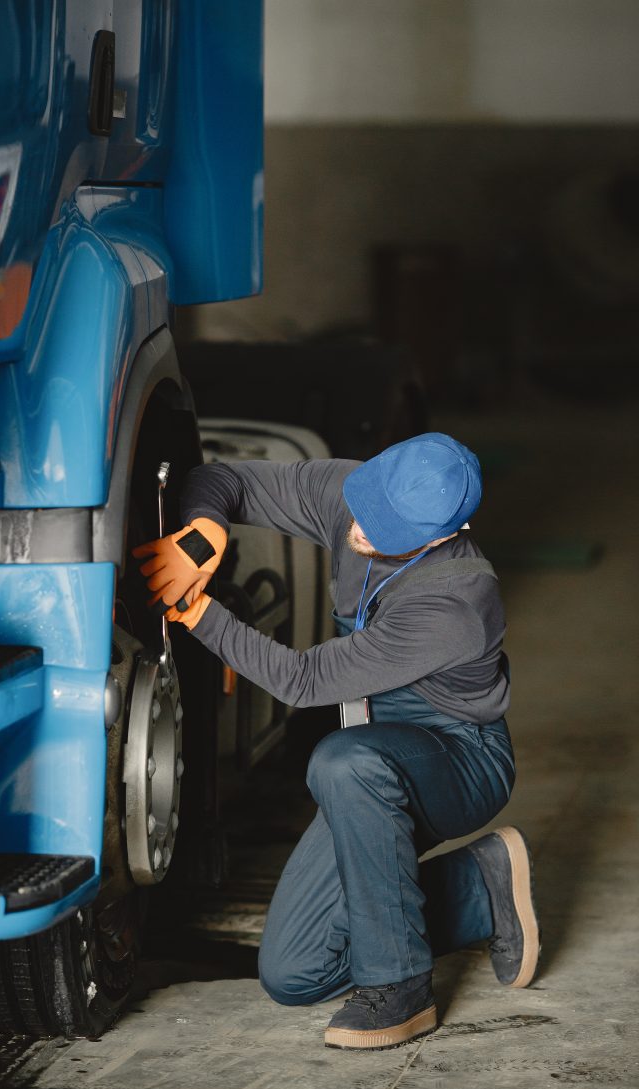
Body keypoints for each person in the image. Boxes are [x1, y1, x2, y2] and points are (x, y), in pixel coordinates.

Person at [133, 432, 540, 1051]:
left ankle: (400, 986)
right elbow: (224, 480)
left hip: (457, 758)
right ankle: (477, 888)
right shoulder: (359, 495)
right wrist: (201, 533)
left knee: (343, 761)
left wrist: (198, 611)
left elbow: (304, 680)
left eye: (390, 531)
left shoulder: (456, 602)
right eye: (367, 511)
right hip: (369, 764)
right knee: (295, 973)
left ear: (442, 536)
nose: (364, 532)